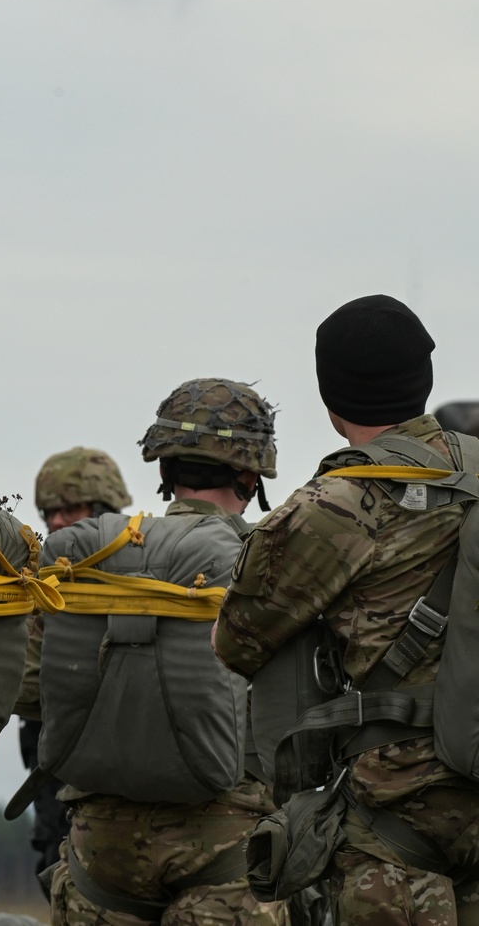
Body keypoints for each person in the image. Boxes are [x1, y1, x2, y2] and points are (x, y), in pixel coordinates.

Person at [214, 295, 479, 926]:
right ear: (425, 378)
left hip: (401, 816)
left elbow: (239, 641)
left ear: (331, 400)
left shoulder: (334, 506)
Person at [44, 380, 285, 926]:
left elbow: (37, 689)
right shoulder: (273, 558)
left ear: (163, 470)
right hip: (227, 842)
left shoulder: (93, 555)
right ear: (251, 474)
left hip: (97, 846)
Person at [15, 449, 132, 881]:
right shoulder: (40, 577)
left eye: (72, 509)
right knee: (55, 865)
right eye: (52, 512)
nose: (60, 522)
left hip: (127, 756)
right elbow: (24, 685)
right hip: (55, 759)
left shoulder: (142, 569)